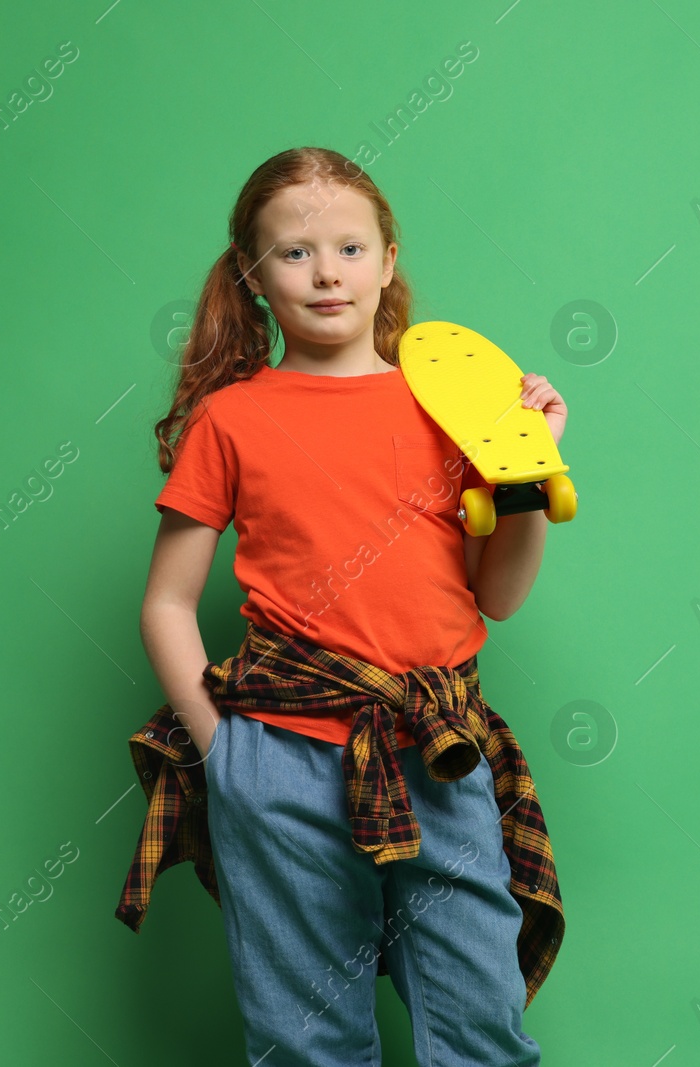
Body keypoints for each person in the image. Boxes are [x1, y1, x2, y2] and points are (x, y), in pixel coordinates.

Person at [131, 145, 565, 1066]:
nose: (327, 272)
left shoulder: (454, 408)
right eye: (295, 253)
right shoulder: (233, 418)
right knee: (305, 1041)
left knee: (480, 1027)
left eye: (351, 248)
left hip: (438, 749)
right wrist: (223, 750)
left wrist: (526, 466)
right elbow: (167, 602)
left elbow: (499, 595)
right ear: (253, 275)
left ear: (390, 260)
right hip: (279, 758)